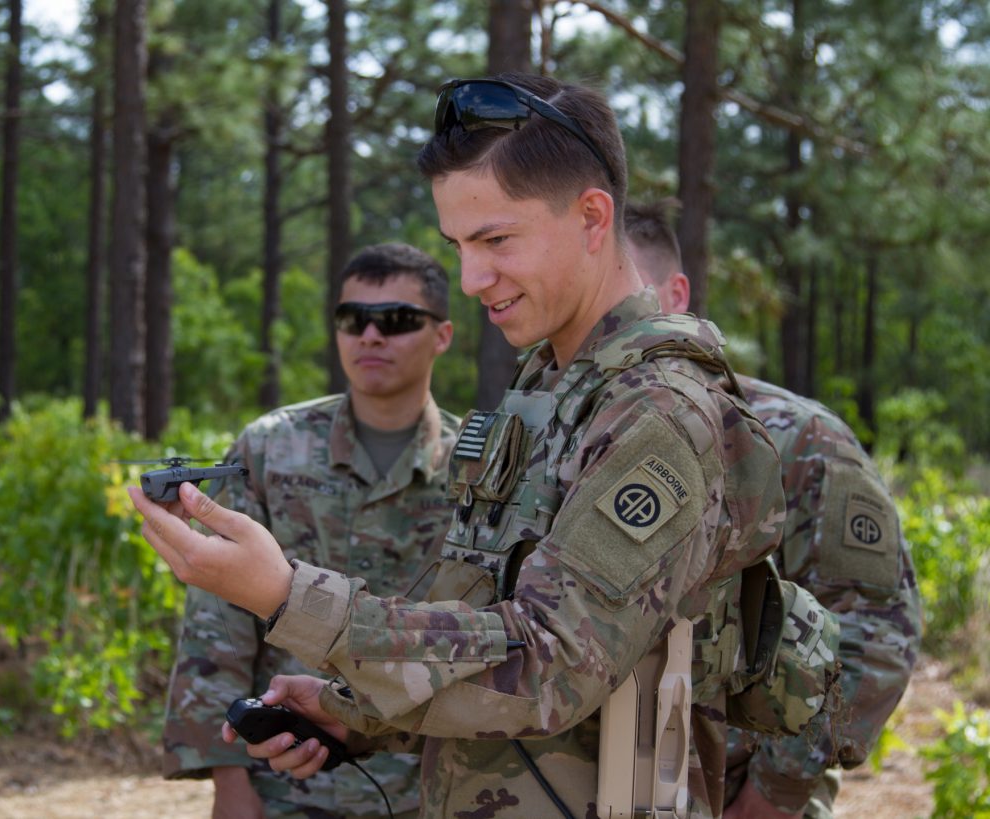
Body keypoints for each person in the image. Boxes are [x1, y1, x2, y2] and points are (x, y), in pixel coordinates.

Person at [131, 73, 809, 819]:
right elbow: (485, 619)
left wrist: (287, 596)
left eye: (495, 239)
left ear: (591, 218)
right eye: (457, 244)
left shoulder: (657, 411)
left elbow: (549, 661)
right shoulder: (551, 393)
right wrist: (354, 711)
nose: (472, 277)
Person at [625, 199, 922, 819]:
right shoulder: (549, 440)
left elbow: (875, 631)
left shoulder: (793, 438)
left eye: (622, 294)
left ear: (676, 294)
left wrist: (773, 794)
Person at [161, 243, 460, 819]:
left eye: (395, 320)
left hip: (435, 784)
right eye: (353, 320)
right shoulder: (271, 447)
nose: (370, 336)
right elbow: (216, 619)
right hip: (289, 776)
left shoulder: (478, 468)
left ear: (441, 335)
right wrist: (228, 779)